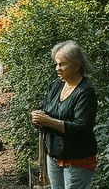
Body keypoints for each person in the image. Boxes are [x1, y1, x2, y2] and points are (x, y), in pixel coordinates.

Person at [30, 41, 98, 189]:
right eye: (56, 64)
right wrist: (37, 117)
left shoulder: (86, 92)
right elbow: (45, 108)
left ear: (77, 65)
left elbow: (82, 128)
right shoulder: (57, 85)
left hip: (77, 160)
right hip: (54, 156)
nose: (57, 69)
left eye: (62, 64)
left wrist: (48, 121)